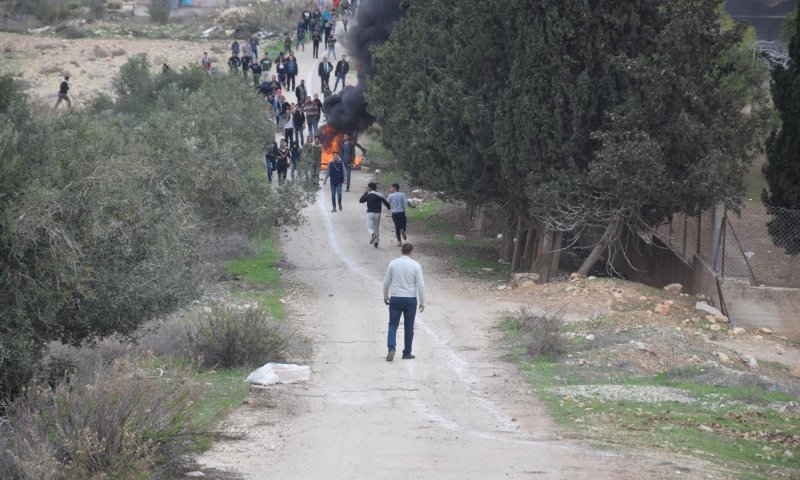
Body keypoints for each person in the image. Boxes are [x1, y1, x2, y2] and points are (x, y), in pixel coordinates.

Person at [382, 243, 426, 361]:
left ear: (401, 251)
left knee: (392, 324)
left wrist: (385, 296)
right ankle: (407, 352)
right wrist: (423, 301)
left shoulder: (393, 264)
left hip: (395, 298)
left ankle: (391, 348)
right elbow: (420, 285)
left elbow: (386, 282)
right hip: (410, 299)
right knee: (409, 326)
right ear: (411, 252)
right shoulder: (416, 265)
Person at [359, 182, 391, 248]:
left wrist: (365, 193)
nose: (367, 188)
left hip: (370, 213)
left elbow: (361, 200)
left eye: (368, 187)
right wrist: (388, 207)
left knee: (370, 228)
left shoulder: (368, 195)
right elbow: (386, 202)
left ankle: (373, 235)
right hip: (378, 213)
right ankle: (376, 242)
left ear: (370, 188)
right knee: (376, 228)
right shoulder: (379, 195)